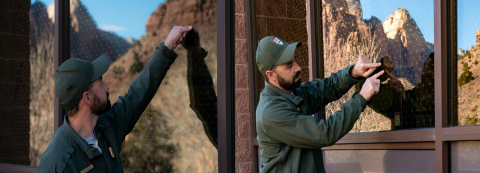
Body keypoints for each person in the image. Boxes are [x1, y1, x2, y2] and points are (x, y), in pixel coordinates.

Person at [37, 26, 193, 173]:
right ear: (88, 98)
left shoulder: (106, 127)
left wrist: (166, 48)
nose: (107, 87)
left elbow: (137, 94)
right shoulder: (56, 164)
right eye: (100, 83)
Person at [255, 36, 383, 173]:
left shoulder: (293, 93)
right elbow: (324, 133)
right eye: (289, 66)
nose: (298, 68)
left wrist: (353, 72)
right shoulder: (271, 112)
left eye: (294, 60)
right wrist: (361, 98)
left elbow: (328, 88)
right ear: (271, 75)